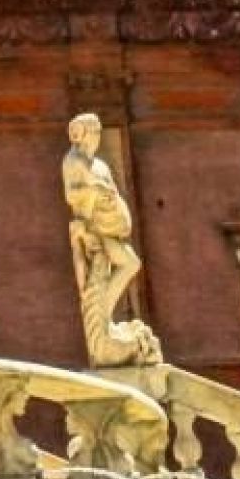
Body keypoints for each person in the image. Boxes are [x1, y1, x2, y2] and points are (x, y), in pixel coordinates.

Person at [62, 113, 161, 367]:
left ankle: (104, 320)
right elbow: (72, 195)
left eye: (98, 131)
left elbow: (113, 192)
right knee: (124, 266)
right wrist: (95, 191)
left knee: (130, 264)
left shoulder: (99, 165)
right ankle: (101, 328)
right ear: (82, 134)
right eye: (94, 131)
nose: (97, 136)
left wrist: (112, 201)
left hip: (108, 226)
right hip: (92, 229)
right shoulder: (73, 161)